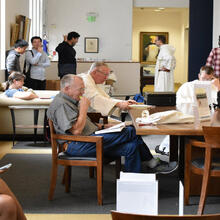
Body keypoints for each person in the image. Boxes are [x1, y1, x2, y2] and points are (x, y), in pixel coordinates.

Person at [47, 74, 177, 174]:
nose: (82, 93)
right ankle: (152, 163)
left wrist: (106, 127)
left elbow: (85, 125)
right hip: (76, 145)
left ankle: (132, 181)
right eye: (80, 89)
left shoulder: (71, 100)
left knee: (131, 146)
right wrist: (83, 110)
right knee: (131, 132)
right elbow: (76, 131)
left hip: (88, 139)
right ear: (67, 88)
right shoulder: (61, 104)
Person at [155, 66, 217, 156]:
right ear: (199, 76)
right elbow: (182, 107)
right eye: (203, 79)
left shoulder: (216, 88)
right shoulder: (187, 87)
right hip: (192, 121)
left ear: (213, 77)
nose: (205, 82)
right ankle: (170, 149)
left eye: (209, 80)